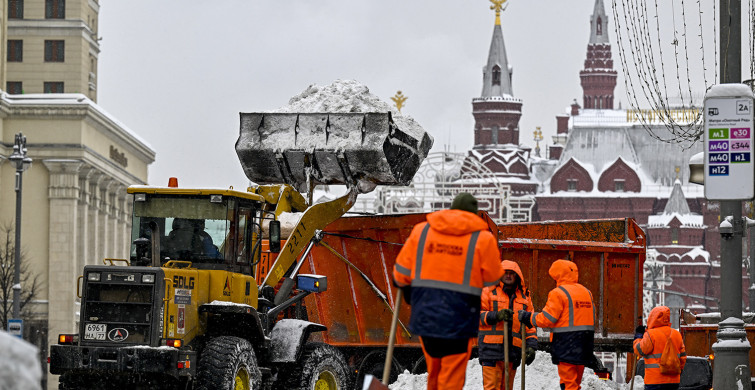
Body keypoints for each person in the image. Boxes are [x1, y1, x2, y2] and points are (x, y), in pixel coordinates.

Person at [393, 192, 503, 390]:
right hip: (459, 318)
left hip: (426, 315)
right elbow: (494, 277)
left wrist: (409, 290)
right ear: (474, 214)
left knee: (434, 370)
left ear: (452, 209)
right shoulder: (482, 239)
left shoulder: (422, 231)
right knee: (451, 377)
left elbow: (400, 272)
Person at [518, 259, 595, 390]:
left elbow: (547, 319)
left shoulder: (558, 293)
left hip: (566, 343)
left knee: (568, 383)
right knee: (576, 383)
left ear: (557, 275)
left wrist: (528, 317)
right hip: (585, 343)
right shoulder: (586, 292)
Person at [479, 260, 538, 390]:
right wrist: (496, 316)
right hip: (491, 351)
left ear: (517, 276)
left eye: (512, 273)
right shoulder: (488, 291)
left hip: (513, 353)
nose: (508, 276)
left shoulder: (524, 297)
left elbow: (530, 325)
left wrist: (532, 346)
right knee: (491, 388)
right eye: (505, 273)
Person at [633, 306, 687, 390]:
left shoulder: (651, 334)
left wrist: (638, 336)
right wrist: (677, 372)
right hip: (673, 382)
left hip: (655, 381)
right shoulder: (677, 334)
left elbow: (640, 351)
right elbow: (683, 358)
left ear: (653, 317)